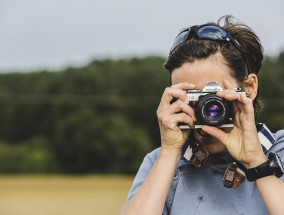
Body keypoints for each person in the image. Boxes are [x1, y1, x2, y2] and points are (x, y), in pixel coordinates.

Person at [121, 15, 284, 215]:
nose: (204, 110)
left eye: (212, 97)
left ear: (249, 87)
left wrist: (257, 162)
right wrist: (170, 152)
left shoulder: (280, 150)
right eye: (191, 99)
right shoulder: (162, 163)